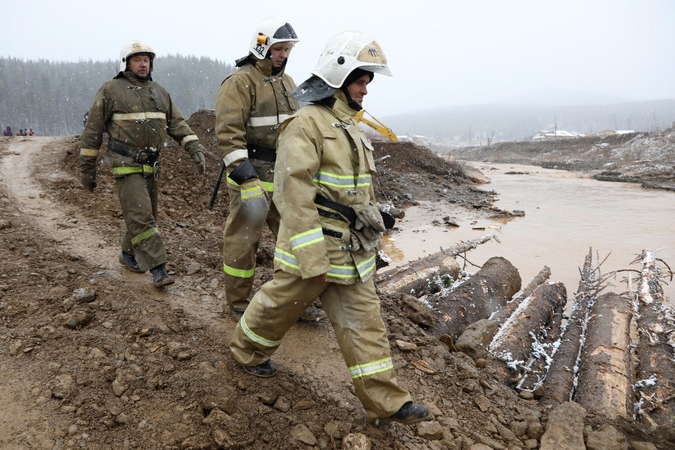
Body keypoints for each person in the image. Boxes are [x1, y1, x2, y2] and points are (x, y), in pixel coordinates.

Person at [229, 30, 432, 426]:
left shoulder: (348, 127)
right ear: (339, 77)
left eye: (368, 82)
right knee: (278, 308)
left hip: (352, 252)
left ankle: (387, 403)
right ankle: (245, 351)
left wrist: (374, 216)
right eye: (361, 81)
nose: (366, 90)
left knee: (366, 324)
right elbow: (293, 194)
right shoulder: (305, 124)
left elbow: (350, 191)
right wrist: (311, 255)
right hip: (315, 249)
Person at [215, 18, 323, 321]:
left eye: (286, 49)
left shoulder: (288, 83)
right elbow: (228, 133)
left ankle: (295, 301)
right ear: (261, 48)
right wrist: (244, 175)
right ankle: (238, 303)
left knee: (293, 239)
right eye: (277, 48)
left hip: (284, 175)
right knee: (243, 240)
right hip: (251, 175)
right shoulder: (239, 82)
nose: (283, 54)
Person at [79, 39, 207, 288]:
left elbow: (177, 124)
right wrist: (87, 168)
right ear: (126, 63)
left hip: (152, 166)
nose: (143, 64)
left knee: (145, 216)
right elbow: (92, 130)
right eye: (137, 59)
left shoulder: (160, 92)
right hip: (126, 165)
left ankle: (128, 253)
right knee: (142, 216)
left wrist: (195, 148)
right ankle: (159, 269)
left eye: (146, 60)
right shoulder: (111, 90)